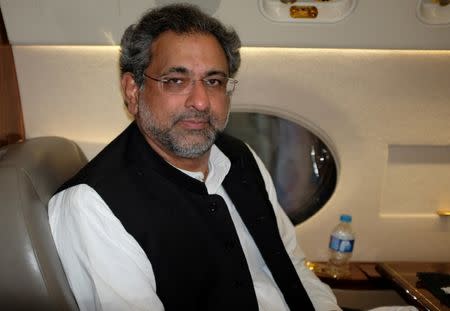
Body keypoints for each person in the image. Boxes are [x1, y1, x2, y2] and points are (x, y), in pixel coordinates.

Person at [48, 3, 342, 311]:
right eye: (176, 80)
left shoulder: (241, 158)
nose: (201, 101)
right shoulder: (93, 206)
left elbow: (292, 264)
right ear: (133, 91)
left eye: (213, 81)